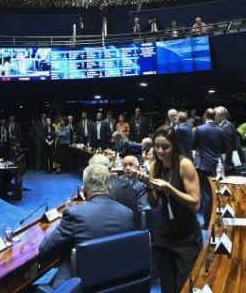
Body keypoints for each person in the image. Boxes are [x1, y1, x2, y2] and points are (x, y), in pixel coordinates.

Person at [39, 163, 134, 288]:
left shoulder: (74, 214)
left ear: (84, 190)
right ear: (110, 188)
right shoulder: (127, 213)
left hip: (82, 285)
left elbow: (45, 249)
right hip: (118, 283)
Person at [140, 125, 201, 293]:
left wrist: (170, 189)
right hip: (165, 232)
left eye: (165, 146)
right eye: (157, 146)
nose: (160, 151)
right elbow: (153, 204)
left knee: (184, 286)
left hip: (186, 234)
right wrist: (148, 186)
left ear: (174, 146)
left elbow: (196, 203)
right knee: (167, 287)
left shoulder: (184, 164)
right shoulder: (155, 166)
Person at [191, 108, 230, 227]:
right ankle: (216, 218)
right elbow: (224, 148)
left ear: (205, 116)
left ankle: (208, 222)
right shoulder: (221, 130)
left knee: (207, 194)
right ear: (214, 117)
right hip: (218, 165)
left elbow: (193, 145)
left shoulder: (199, 129)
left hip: (203, 165)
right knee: (217, 192)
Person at [88, 153, 141, 228]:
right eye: (125, 165)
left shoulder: (104, 189)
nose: (128, 168)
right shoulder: (124, 183)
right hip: (129, 229)